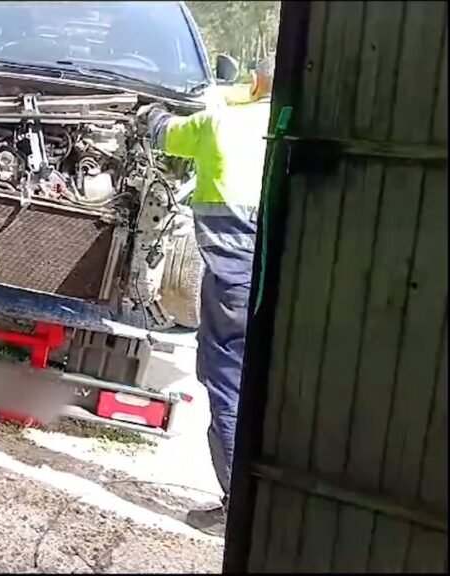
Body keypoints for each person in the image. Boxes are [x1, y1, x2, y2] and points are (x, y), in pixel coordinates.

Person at [138, 57, 275, 536]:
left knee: (227, 384)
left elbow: (163, 132)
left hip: (233, 285)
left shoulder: (218, 122)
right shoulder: (290, 133)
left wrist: (149, 111)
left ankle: (238, 509)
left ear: (254, 82)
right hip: (280, 285)